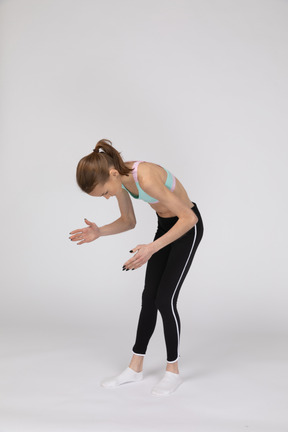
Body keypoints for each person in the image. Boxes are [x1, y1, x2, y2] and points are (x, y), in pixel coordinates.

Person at [69, 139, 204, 396]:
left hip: (187, 229)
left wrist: (152, 248)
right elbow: (128, 221)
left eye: (105, 192)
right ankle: (135, 367)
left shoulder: (146, 176)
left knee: (165, 299)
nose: (108, 196)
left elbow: (189, 217)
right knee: (148, 298)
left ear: (112, 174)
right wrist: (99, 232)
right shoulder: (119, 178)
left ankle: (172, 372)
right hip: (165, 227)